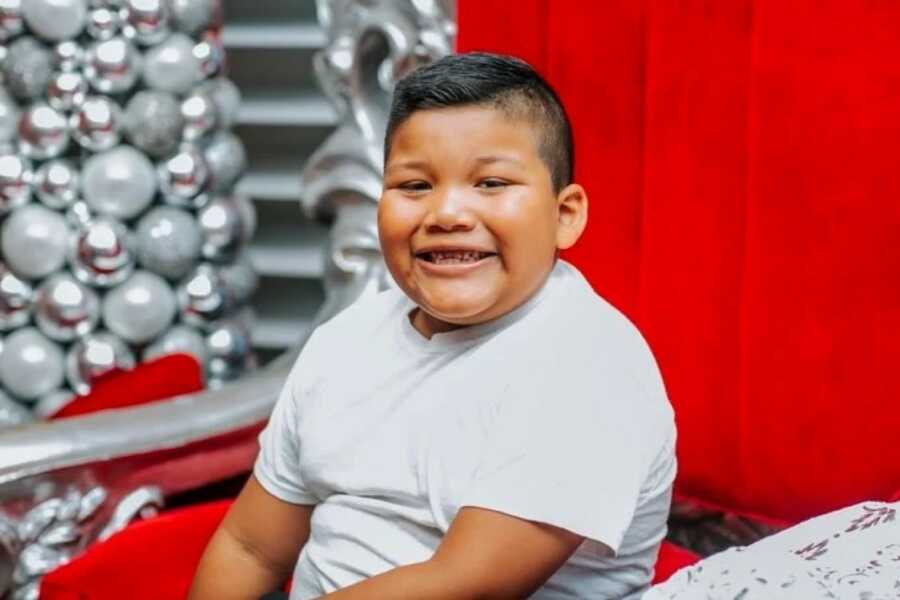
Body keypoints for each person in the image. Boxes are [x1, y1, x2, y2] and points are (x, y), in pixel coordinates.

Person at [190, 52, 676, 600]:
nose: (446, 213)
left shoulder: (589, 364)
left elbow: (464, 585)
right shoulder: (346, 340)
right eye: (414, 186)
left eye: (490, 183)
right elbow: (249, 544)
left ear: (565, 215)